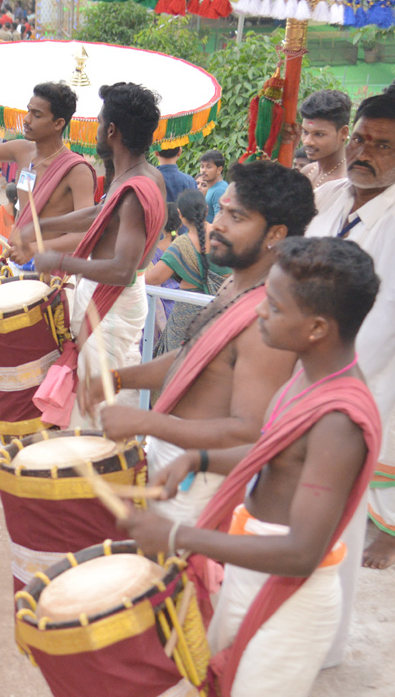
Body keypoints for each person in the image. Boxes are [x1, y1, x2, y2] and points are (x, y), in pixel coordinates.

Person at [122, 238, 381, 697]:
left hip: (289, 598)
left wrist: (178, 537)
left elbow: (302, 550)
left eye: (275, 307)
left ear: (318, 327)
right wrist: (198, 459)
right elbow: (274, 452)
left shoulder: (339, 422)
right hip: (252, 566)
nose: (260, 312)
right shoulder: (307, 374)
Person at [83, 163, 316, 527]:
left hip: (202, 480)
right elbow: (196, 357)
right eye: (221, 210)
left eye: (236, 216)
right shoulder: (236, 286)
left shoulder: (269, 319)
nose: (218, 223)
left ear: (276, 233)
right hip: (175, 460)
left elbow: (247, 432)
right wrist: (117, 379)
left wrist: (146, 421)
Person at [21, 83, 167, 426]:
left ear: (111, 130)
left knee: (91, 410)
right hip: (106, 297)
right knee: (85, 401)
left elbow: (122, 269)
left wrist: (58, 261)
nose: (98, 129)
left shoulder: (135, 190)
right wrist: (39, 226)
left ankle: (97, 469)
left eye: (100, 122)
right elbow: (99, 214)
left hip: (112, 299)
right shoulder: (141, 175)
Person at [304, 90, 395, 579]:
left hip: (357, 377)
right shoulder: (328, 195)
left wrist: (328, 378)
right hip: (304, 361)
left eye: (383, 146)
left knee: (339, 514)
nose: (364, 153)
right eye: (360, 140)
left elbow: (386, 320)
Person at [0, 82, 97, 260]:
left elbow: (85, 234)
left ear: (58, 123)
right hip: (18, 260)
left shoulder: (77, 171)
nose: (27, 119)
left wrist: (35, 249)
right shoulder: (22, 151)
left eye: (37, 115)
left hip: (53, 270)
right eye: (28, 111)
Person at [144, 189, 230, 353]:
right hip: (223, 312)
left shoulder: (181, 244)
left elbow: (153, 278)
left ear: (180, 215)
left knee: (178, 363)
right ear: (206, 209)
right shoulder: (225, 236)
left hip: (188, 317)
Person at [298, 89, 351, 189]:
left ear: (343, 133)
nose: (307, 141)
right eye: (305, 132)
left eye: (319, 134)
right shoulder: (307, 172)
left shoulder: (347, 183)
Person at [200, 149, 228, 221]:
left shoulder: (219, 191)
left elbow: (221, 222)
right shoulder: (213, 188)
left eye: (208, 167)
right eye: (202, 166)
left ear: (219, 170)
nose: (203, 170)